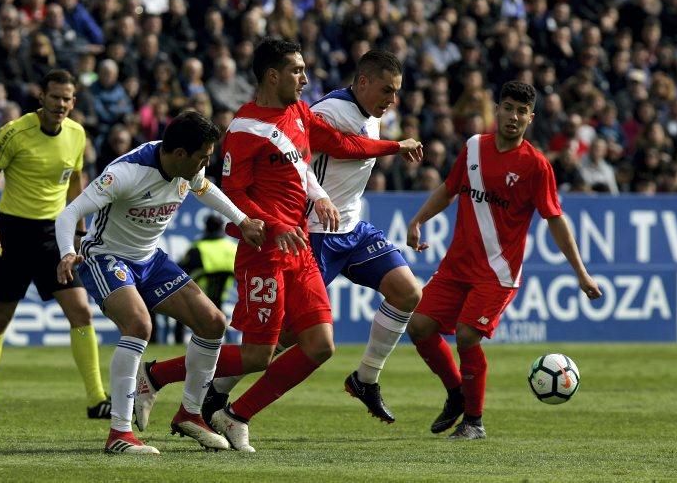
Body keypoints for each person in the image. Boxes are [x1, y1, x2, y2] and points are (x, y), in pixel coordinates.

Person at [133, 38, 423, 453]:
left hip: (300, 247)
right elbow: (234, 192)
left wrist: (390, 149)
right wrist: (271, 223)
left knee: (320, 346)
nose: (305, 79)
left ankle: (235, 415)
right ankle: (156, 376)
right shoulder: (244, 129)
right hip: (264, 251)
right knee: (258, 355)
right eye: (297, 71)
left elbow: (341, 146)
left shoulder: (300, 113)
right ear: (273, 76)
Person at [54, 110, 265, 455]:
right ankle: (119, 433)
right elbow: (69, 213)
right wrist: (66, 252)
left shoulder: (188, 169)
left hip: (150, 259)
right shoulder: (126, 173)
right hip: (106, 257)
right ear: (180, 154)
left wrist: (242, 220)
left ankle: (191, 413)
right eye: (202, 157)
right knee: (138, 324)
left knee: (213, 323)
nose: (205, 164)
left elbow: (206, 189)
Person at [405, 81, 602, 440]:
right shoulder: (473, 148)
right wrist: (418, 220)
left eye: (521, 111)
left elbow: (555, 220)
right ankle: (456, 394)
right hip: (457, 265)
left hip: (497, 273)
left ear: (531, 117)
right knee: (418, 327)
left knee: (466, 335)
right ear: (497, 109)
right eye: (508, 107)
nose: (513, 116)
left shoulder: (535, 166)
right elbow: (449, 189)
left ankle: (474, 422)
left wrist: (581, 273)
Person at [0, 69, 110, 420]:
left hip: (53, 235)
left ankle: (97, 400)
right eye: (55, 97)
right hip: (13, 233)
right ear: (41, 98)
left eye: (67, 98)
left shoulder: (77, 134)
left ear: (73, 101)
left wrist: (79, 231)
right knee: (0, 318)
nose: (61, 104)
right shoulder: (15, 132)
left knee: (80, 311)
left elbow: (75, 182)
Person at [174, 214, 238, 344]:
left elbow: (180, 272)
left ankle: (178, 342)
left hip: (199, 296)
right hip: (223, 296)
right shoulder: (233, 247)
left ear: (206, 228)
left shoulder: (198, 248)